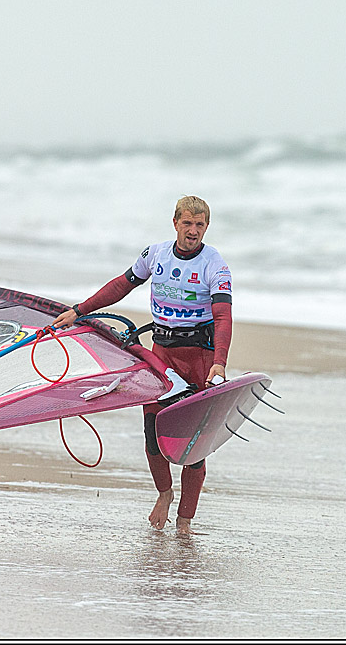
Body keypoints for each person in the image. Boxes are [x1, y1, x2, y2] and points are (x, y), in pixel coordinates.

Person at [53, 195, 233, 537]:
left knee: (194, 445)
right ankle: (164, 494)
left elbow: (223, 316)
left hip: (199, 357)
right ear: (175, 222)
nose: (193, 231)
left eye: (200, 225)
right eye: (187, 223)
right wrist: (80, 310)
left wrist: (219, 363)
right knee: (153, 435)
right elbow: (122, 285)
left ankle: (185, 523)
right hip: (160, 354)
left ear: (206, 227)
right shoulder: (156, 255)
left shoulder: (215, 265)